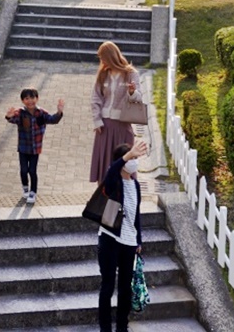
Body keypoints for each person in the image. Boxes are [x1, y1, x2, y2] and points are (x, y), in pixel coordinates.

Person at [97, 138, 148, 332]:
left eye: (136, 158)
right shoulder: (114, 181)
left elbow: (136, 215)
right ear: (123, 161)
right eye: (132, 158)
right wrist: (128, 154)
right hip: (110, 239)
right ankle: (105, 329)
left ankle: (122, 327)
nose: (135, 162)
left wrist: (138, 240)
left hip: (129, 242)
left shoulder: (135, 185)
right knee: (108, 285)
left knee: (125, 288)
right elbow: (111, 171)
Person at [89, 41, 145, 182]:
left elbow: (138, 98)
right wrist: (97, 120)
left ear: (111, 56)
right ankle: (103, 197)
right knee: (104, 167)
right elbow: (95, 98)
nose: (101, 61)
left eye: (103, 57)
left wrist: (132, 92)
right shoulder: (103, 74)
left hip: (122, 125)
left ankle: (124, 197)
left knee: (124, 165)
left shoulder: (131, 74)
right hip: (104, 126)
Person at [5, 88, 65, 204]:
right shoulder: (20, 113)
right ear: (23, 101)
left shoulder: (41, 113)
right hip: (23, 148)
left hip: (35, 149)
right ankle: (25, 187)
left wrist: (59, 112)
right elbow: (13, 119)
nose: (30, 101)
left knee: (32, 171)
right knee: (23, 170)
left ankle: (33, 192)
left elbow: (53, 120)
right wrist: (9, 116)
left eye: (32, 98)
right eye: (26, 98)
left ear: (37, 98)